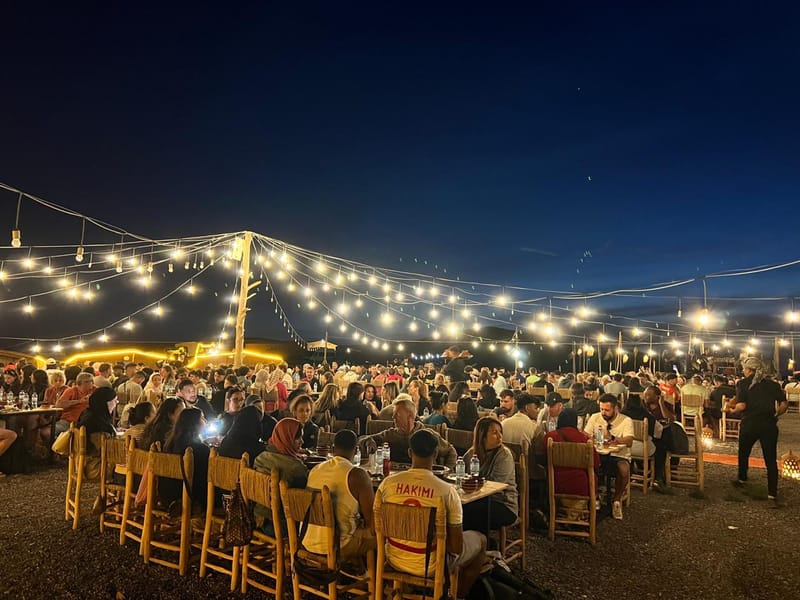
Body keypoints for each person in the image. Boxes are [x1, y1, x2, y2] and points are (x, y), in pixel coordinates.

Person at [375, 429, 485, 595]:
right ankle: (457, 594)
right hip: (432, 564)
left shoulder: (387, 484)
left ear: (410, 452)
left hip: (393, 559)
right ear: (435, 454)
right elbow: (456, 548)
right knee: (481, 540)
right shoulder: (446, 491)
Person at [304, 430, 376, 563]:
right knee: (379, 534)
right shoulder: (358, 475)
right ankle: (369, 576)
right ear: (355, 451)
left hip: (307, 540)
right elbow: (372, 521)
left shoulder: (315, 470)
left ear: (332, 448)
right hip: (339, 545)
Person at [730, 357, 788, 506]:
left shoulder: (744, 383)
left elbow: (741, 406)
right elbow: (783, 404)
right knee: (770, 459)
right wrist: (776, 415)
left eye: (744, 368)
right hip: (768, 424)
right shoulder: (773, 384)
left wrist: (731, 409)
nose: (743, 371)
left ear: (749, 370)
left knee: (744, 452)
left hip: (750, 423)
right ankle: (772, 493)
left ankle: (742, 478)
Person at [359, 398, 457, 468]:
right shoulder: (390, 434)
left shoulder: (427, 436)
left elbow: (451, 451)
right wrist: (369, 441)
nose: (393, 417)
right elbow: (362, 439)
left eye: (397, 414)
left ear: (409, 415)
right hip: (397, 480)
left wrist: (447, 471)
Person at [462, 418, 518, 535]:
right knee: (459, 508)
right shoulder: (471, 454)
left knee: (473, 510)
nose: (499, 436)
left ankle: (483, 545)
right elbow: (462, 475)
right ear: (482, 436)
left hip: (503, 504)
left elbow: (495, 485)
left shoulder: (504, 455)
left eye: (500, 432)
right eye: (494, 433)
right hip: (476, 499)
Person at [253, 418, 309, 535]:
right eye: (298, 438)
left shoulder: (261, 457)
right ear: (286, 438)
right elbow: (305, 496)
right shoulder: (295, 468)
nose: (302, 442)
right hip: (278, 525)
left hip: (255, 518)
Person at [583, 394, 634, 520]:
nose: (603, 413)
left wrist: (613, 438)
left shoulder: (626, 420)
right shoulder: (595, 418)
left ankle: (616, 500)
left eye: (607, 410)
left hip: (618, 454)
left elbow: (629, 441)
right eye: (601, 409)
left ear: (615, 408)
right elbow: (585, 434)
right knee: (587, 466)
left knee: (623, 470)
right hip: (599, 453)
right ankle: (594, 496)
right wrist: (593, 438)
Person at [543, 407, 600, 497]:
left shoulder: (550, 437)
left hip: (555, 484)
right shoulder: (584, 439)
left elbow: (543, 459)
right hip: (582, 485)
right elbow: (596, 463)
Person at [161, 408, 210, 509]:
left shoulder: (170, 443)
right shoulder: (199, 449)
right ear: (194, 424)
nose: (205, 421)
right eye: (202, 418)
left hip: (168, 494)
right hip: (189, 495)